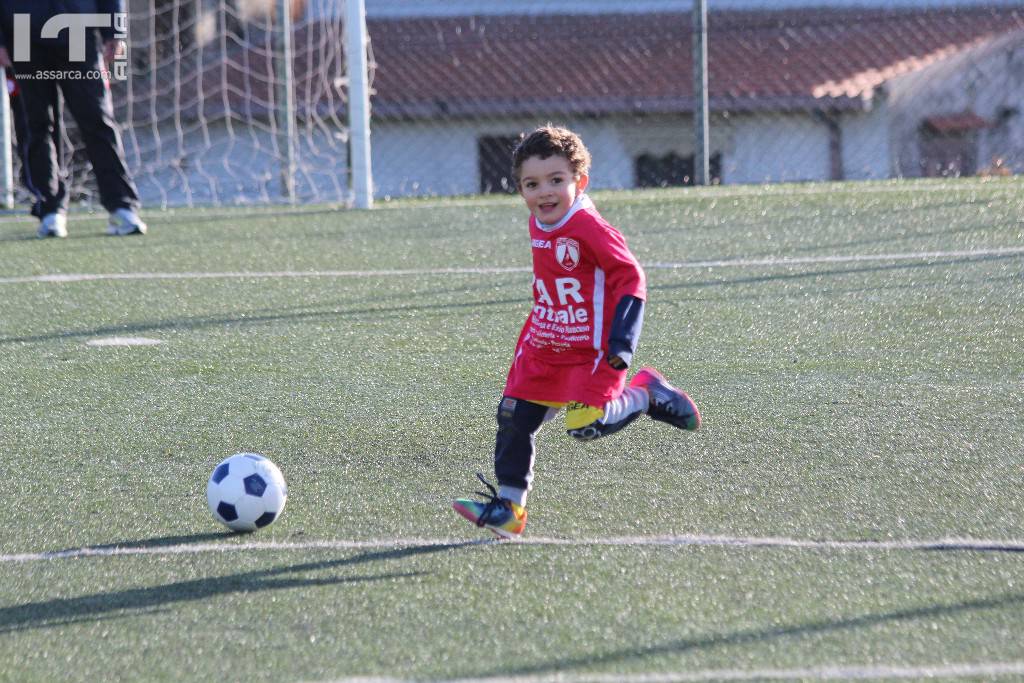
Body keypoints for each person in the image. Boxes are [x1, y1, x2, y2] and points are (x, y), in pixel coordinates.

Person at [453, 125, 700, 539]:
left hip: (592, 352)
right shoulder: (540, 221)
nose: (544, 192)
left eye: (556, 181)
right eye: (532, 184)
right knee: (514, 418)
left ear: (579, 181)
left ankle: (645, 394)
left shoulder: (588, 226)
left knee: (584, 426)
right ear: (519, 189)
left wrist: (622, 340)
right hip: (545, 346)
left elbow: (632, 278)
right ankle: (509, 509)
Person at [0, 0, 147, 238]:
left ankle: (122, 206)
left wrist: (115, 30)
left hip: (77, 28)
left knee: (97, 119)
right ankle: (50, 209)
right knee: (36, 124)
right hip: (23, 32)